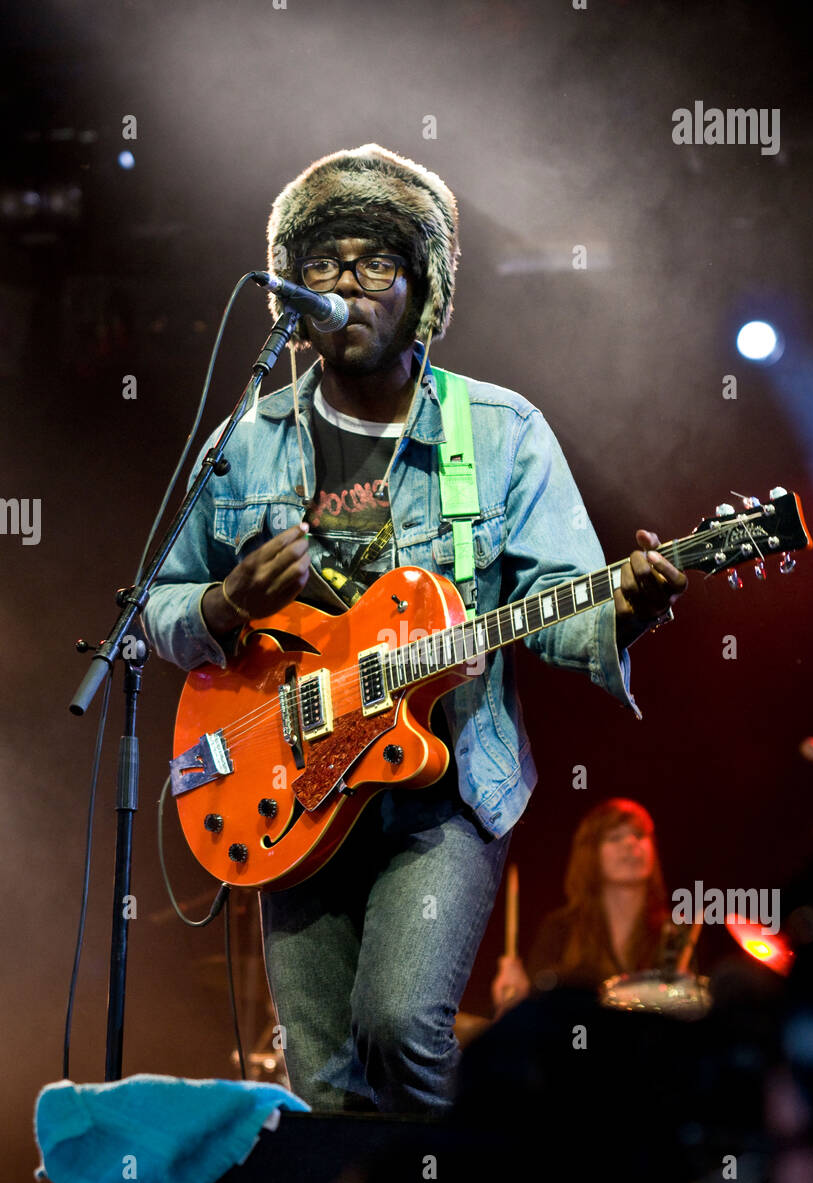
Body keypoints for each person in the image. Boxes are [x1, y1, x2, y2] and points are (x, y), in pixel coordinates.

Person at [143, 144, 687, 1116]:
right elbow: (156, 607)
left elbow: (559, 600)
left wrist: (625, 607)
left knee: (398, 1028)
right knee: (319, 1073)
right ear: (289, 294)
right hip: (290, 786)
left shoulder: (500, 430)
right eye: (321, 265)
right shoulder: (245, 441)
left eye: (375, 263)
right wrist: (225, 607)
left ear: (422, 289)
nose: (345, 285)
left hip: (440, 786)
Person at [491, 798, 694, 1013]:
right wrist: (515, 1004)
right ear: (591, 853)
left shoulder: (674, 932)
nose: (630, 843)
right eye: (615, 837)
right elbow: (540, 1022)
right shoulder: (560, 929)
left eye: (639, 835)